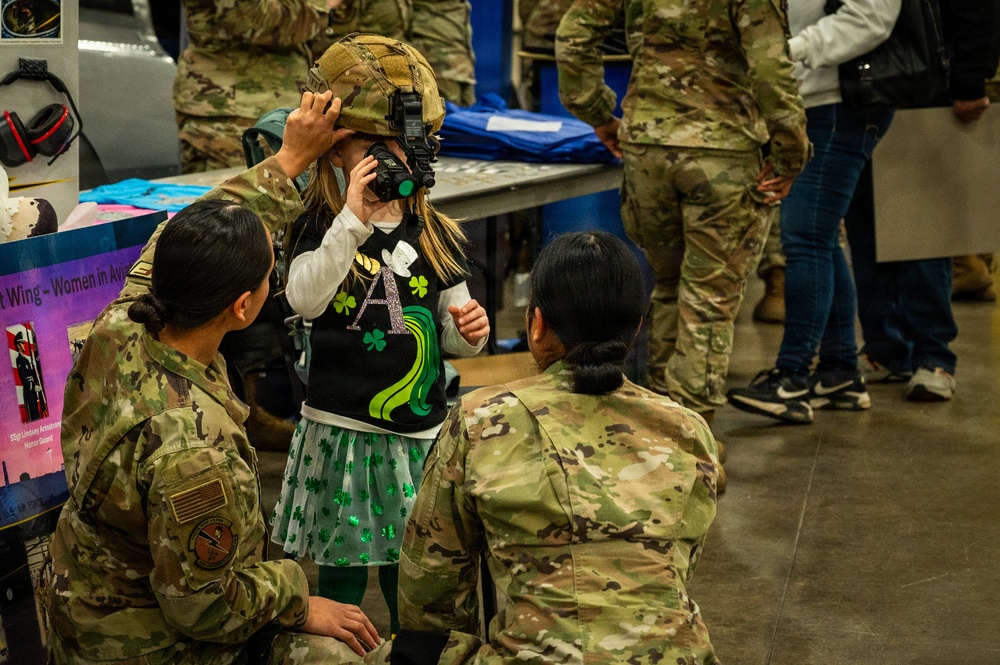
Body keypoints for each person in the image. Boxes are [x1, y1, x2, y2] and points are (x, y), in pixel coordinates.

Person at [46, 91, 382, 664]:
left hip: (85, 599)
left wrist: (291, 158)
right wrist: (297, 596)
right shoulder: (191, 453)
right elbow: (205, 607)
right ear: (244, 308)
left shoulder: (123, 325)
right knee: (347, 656)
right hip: (141, 644)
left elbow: (187, 227)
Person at [362, 231, 720, 664]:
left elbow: (431, 584)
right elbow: (678, 566)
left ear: (536, 324)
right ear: (637, 327)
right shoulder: (688, 430)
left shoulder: (481, 419)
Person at [268, 35, 490, 637]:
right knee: (339, 568)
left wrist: (470, 332)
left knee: (408, 567)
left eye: (410, 147)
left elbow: (452, 332)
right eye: (380, 148)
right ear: (339, 150)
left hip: (416, 435)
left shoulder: (436, 231)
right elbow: (303, 300)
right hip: (340, 430)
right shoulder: (320, 224)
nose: (399, 160)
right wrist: (352, 221)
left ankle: (410, 651)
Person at [555, 0, 811, 438]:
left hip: (648, 147)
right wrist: (790, 149)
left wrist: (598, 113)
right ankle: (690, 439)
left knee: (669, 286)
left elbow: (572, 37)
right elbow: (771, 69)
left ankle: (660, 426)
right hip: (723, 152)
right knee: (709, 298)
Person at [726, 0, 900, 424]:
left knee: (804, 237)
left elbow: (872, 17)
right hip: (811, 99)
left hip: (840, 103)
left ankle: (792, 377)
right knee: (819, 236)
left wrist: (789, 50)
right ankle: (840, 370)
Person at [846, 0, 1000, 401]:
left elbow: (977, 9)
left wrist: (969, 79)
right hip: (859, 86)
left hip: (929, 85)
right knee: (867, 228)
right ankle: (884, 348)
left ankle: (934, 356)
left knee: (923, 233)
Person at [173, 0, 340, 173]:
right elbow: (250, 18)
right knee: (238, 197)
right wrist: (323, 5)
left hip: (260, 108)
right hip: (231, 116)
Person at [14, 330, 46, 422]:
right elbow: (23, 379)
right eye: (22, 343)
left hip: (33, 393)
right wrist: (33, 387)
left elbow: (32, 373)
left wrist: (35, 362)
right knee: (33, 416)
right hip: (28, 392)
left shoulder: (27, 360)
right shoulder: (19, 360)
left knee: (36, 414)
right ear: (18, 345)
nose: (24, 345)